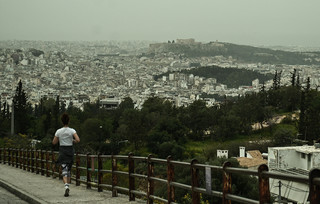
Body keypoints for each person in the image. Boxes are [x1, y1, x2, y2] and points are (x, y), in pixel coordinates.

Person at [52, 113, 80, 197]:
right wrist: (72, 141)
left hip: (62, 150)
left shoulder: (58, 131)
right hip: (70, 150)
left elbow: (54, 142)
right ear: (69, 121)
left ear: (62, 121)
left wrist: (60, 139)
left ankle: (66, 186)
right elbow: (78, 139)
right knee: (68, 169)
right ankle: (68, 185)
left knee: (64, 169)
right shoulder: (72, 130)